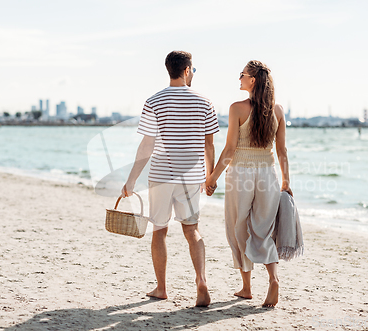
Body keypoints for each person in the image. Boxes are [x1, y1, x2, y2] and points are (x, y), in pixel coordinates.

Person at [121, 51, 219, 307]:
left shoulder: (154, 101)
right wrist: (209, 177)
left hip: (161, 176)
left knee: (159, 231)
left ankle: (162, 288)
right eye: (193, 70)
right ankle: (201, 281)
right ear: (186, 70)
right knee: (192, 230)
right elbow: (209, 145)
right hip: (191, 177)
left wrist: (131, 180)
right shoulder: (205, 102)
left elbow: (147, 145)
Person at [205, 60, 292, 307]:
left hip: (240, 175)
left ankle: (246, 287)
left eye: (242, 75)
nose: (239, 78)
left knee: (238, 228)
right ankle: (273, 279)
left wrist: (212, 178)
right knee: (263, 230)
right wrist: (286, 181)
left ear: (252, 80)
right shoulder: (278, 111)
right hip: (269, 175)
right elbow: (282, 150)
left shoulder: (237, 108)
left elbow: (230, 150)